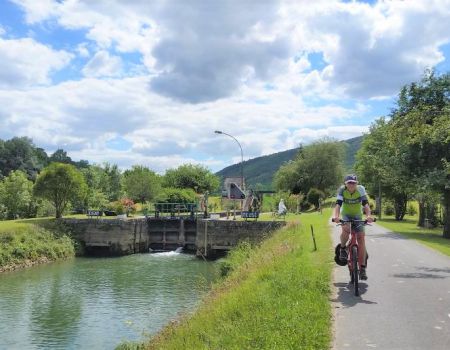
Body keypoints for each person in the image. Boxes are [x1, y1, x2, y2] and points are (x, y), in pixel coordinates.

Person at [333, 174, 373, 280]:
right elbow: (338, 205)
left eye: (354, 183)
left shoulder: (360, 189)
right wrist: (336, 216)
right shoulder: (342, 190)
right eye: (349, 182)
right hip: (346, 214)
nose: (351, 184)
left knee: (361, 239)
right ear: (345, 184)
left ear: (357, 183)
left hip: (357, 215)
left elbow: (366, 204)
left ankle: (363, 269)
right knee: (345, 231)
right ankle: (342, 248)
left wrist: (368, 215)